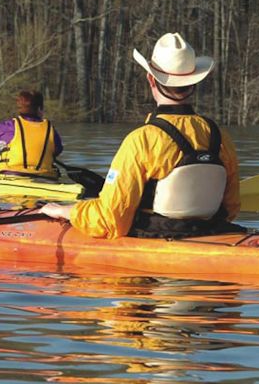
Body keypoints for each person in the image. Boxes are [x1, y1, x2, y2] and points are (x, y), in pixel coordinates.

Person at [41, 32, 241, 239]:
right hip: (212, 234)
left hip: (152, 238)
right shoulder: (221, 137)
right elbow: (231, 208)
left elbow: (111, 220)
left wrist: (67, 211)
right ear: (194, 84)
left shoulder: (142, 140)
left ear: (151, 80)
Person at [0, 90, 63, 178]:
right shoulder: (51, 130)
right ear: (39, 109)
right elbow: (57, 150)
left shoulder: (6, 127)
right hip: (43, 176)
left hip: (11, 174)